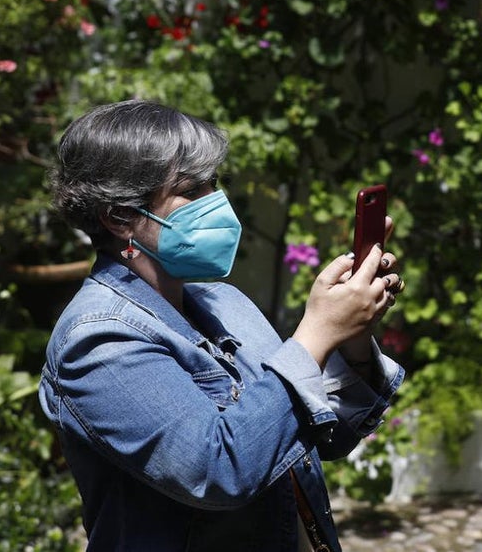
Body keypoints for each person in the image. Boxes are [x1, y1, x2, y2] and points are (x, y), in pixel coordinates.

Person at [38, 100, 404, 551]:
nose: (217, 203)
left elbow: (323, 437)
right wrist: (317, 334)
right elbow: (217, 471)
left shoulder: (224, 302)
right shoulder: (97, 340)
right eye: (192, 191)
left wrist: (350, 335)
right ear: (119, 217)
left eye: (214, 184)